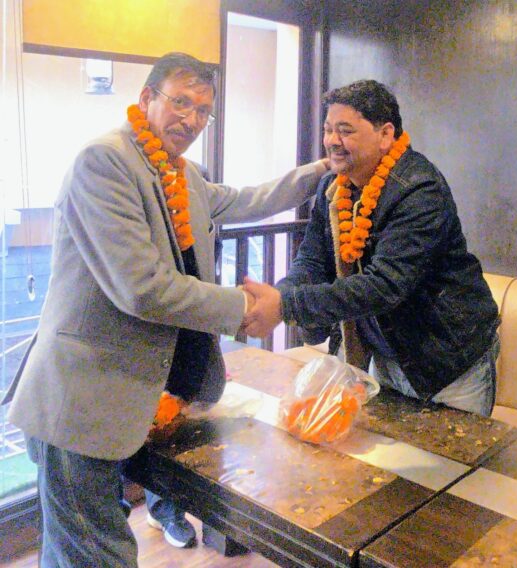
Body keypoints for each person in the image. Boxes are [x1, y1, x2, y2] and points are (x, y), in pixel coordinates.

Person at [1, 52, 328, 566]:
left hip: (128, 397)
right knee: (94, 553)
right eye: (181, 102)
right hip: (79, 400)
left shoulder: (180, 173)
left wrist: (325, 168)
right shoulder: (103, 162)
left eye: (203, 111)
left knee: (77, 548)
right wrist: (246, 307)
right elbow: (144, 289)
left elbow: (249, 199)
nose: (191, 119)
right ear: (146, 99)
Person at [241, 80, 500, 417]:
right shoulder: (333, 187)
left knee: (451, 452)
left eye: (345, 130)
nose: (332, 140)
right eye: (328, 129)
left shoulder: (420, 189)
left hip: (446, 363)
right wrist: (280, 296)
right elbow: (312, 261)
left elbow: (385, 285)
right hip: (381, 357)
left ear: (385, 134)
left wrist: (286, 305)